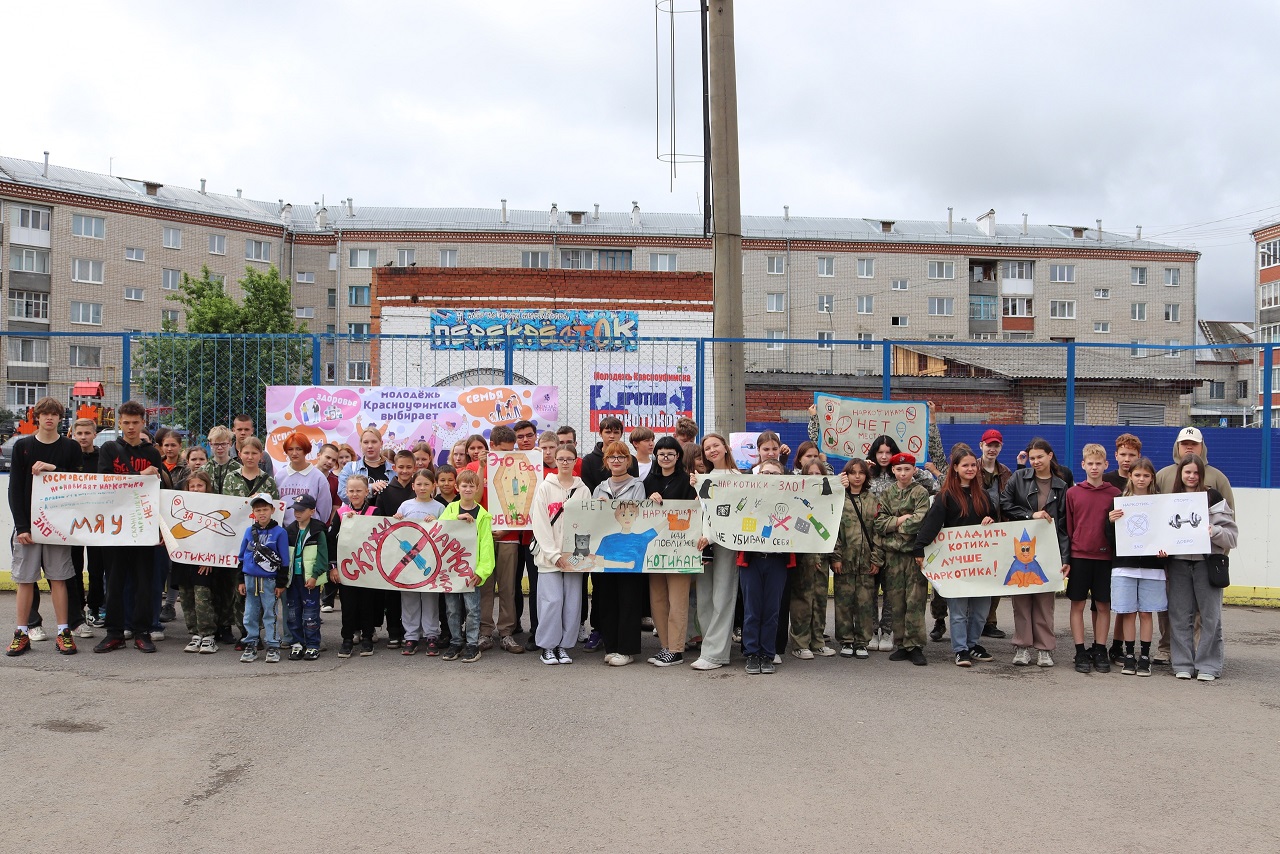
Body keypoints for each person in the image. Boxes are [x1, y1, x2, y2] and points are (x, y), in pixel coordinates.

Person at [93, 401, 173, 654]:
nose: (130, 427)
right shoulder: (108, 449)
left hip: (144, 525)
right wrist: (139, 477)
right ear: (119, 422)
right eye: (126, 422)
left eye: (135, 423)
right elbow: (106, 483)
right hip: (116, 526)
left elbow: (157, 491)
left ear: (143, 423)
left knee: (144, 582)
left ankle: (142, 632)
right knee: (115, 582)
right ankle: (114, 633)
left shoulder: (151, 453)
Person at [6, 397, 82, 657]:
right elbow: (15, 488)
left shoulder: (70, 447)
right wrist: (21, 526)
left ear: (61, 418)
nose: (49, 418)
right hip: (28, 526)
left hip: (56, 526)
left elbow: (79, 483)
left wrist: (53, 469)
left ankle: (63, 632)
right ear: (35, 417)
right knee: (25, 580)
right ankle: (21, 632)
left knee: (58, 578)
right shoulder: (23, 446)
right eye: (44, 413)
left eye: (54, 414)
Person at [1153, 426, 1234, 666]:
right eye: (1184, 443)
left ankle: (1202, 655)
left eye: (1194, 443)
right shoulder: (1163, 475)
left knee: (1205, 612)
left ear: (1202, 446)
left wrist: (1219, 556)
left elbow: (1229, 520)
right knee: (1172, 609)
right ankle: (1168, 649)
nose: (1189, 447)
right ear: (1177, 446)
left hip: (1205, 558)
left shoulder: (1217, 478)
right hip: (1174, 559)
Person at [913, 446, 997, 667]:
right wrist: (919, 548)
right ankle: (960, 650)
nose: (970, 469)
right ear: (956, 468)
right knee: (958, 611)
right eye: (965, 465)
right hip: (956, 563)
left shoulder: (984, 495)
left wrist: (990, 521)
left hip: (981, 564)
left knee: (980, 611)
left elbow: (996, 527)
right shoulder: (946, 496)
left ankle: (973, 644)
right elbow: (931, 525)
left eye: (972, 465)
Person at [1000, 438, 1071, 668]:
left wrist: (1065, 557)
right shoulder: (1019, 478)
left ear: (1050, 456)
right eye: (1032, 458)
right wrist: (1031, 515)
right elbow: (1004, 504)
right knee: (1021, 600)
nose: (1036, 461)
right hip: (1021, 548)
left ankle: (1044, 649)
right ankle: (1021, 647)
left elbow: (1064, 526)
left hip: (1048, 551)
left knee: (1044, 600)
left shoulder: (1061, 485)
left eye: (1040, 456)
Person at [1166, 454, 1238, 681]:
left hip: (1207, 564)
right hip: (1177, 564)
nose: (1191, 476)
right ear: (1180, 474)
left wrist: (1214, 531)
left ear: (1202, 474)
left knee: (1210, 617)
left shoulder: (1214, 498)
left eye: (1196, 472)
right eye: (1187, 472)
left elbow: (1232, 537)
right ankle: (1182, 664)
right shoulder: (1169, 500)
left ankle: (1208, 665)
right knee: (1179, 616)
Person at [866, 434, 937, 651]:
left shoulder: (919, 490)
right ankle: (888, 638)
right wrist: (898, 520)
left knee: (912, 600)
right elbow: (879, 520)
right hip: (883, 549)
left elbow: (920, 519)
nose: (903, 472)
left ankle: (907, 642)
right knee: (886, 596)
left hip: (909, 551)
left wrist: (895, 528)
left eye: (907, 469)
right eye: (899, 469)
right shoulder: (882, 487)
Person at [585, 442, 649, 666]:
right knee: (606, 599)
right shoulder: (599, 488)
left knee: (629, 600)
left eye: (621, 457)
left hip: (629, 552)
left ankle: (627, 649)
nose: (616, 461)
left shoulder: (638, 485)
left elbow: (640, 515)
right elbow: (593, 520)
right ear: (606, 461)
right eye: (612, 457)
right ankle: (611, 646)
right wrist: (600, 506)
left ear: (628, 461)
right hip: (606, 552)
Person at [1064, 443, 1122, 674]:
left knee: (1103, 605)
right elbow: (1068, 527)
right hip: (1079, 557)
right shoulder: (1073, 493)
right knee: (1077, 604)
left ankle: (1100, 649)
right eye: (1090, 463)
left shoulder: (1115, 494)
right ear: (1083, 465)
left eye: (1099, 463)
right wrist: (1067, 557)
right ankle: (1080, 651)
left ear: (1106, 464)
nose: (1095, 467)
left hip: (1105, 558)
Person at [1106, 458, 1165, 676]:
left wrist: (1164, 552)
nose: (1141, 479)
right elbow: (1110, 539)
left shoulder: (1160, 503)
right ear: (1130, 476)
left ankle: (1145, 657)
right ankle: (1129, 655)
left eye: (1146, 475)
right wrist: (1110, 522)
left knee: (1146, 613)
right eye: (1137, 475)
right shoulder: (1120, 502)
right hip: (1125, 566)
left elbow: (1166, 534)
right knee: (1128, 612)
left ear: (1152, 478)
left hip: (1152, 566)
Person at [735, 459, 795, 674]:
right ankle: (752, 652)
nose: (769, 477)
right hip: (751, 560)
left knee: (772, 610)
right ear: (757, 475)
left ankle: (767, 654)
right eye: (765, 473)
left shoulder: (790, 500)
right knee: (752, 609)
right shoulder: (747, 498)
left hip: (778, 560)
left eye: (773, 473)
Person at [530, 443, 587, 665]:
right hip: (549, 556)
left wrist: (576, 554)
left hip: (574, 556)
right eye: (560, 459)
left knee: (572, 602)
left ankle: (565, 646)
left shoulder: (583, 490)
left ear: (575, 461)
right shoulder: (545, 487)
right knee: (551, 601)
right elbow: (541, 524)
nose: (564, 462)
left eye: (568, 459)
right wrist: (554, 555)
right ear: (555, 460)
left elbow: (587, 523)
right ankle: (547, 646)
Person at [643, 436, 697, 667]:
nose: (666, 458)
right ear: (656, 456)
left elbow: (696, 509)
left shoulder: (687, 481)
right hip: (654, 550)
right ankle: (665, 646)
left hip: (680, 550)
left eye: (671, 454)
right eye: (662, 454)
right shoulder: (648, 481)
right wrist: (648, 498)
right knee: (658, 600)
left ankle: (676, 648)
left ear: (678, 457)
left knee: (678, 601)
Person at [690, 432, 741, 671]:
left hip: (727, 543)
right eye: (707, 448)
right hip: (703, 543)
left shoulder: (739, 478)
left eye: (715, 445)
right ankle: (708, 647)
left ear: (726, 447)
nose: (712, 450)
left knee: (723, 595)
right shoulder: (703, 478)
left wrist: (710, 535)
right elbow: (703, 513)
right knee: (705, 596)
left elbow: (731, 512)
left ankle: (716, 654)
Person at [438, 470, 496, 663]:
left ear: (477, 488)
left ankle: (472, 643)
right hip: (451, 570)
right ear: (457, 488)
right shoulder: (451, 510)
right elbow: (440, 529)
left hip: (471, 572)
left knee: (472, 609)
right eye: (464, 485)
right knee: (452, 609)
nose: (468, 489)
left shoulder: (483, 516)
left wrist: (482, 571)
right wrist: (458, 520)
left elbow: (487, 546)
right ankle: (456, 641)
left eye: (472, 486)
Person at [831, 458, 881, 659]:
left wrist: (877, 558)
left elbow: (878, 531)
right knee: (843, 602)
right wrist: (836, 556)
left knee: (865, 602)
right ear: (847, 475)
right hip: (845, 560)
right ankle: (846, 640)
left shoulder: (872, 500)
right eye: (853, 472)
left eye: (861, 473)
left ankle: (862, 641)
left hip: (867, 561)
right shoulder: (839, 499)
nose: (857, 476)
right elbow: (833, 528)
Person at [395, 469, 445, 656]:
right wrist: (397, 518)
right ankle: (411, 636)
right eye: (419, 484)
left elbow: (445, 530)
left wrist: (438, 521)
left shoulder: (439, 507)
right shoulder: (405, 505)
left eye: (427, 484)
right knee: (409, 598)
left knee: (430, 598)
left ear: (434, 486)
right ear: (413, 485)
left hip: (429, 558)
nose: (422, 488)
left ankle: (432, 634)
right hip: (408, 562)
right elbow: (397, 529)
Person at [789, 458, 836, 659]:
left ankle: (818, 640)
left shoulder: (828, 499)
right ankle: (800, 642)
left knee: (819, 599)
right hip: (804, 557)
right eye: (811, 474)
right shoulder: (797, 499)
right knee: (802, 599)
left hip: (823, 556)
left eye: (819, 474)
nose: (815, 478)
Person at [331, 475, 379, 657]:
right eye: (351, 491)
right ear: (346, 492)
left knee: (367, 603)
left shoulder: (375, 511)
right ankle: (347, 639)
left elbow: (381, 537)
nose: (355, 494)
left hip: (367, 568)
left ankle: (367, 637)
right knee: (348, 605)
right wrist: (333, 567)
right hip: (347, 568)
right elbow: (331, 542)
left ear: (367, 492)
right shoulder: (341, 513)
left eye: (359, 490)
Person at [236, 495, 289, 664]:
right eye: (258, 510)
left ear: (273, 510)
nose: (262, 513)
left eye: (265, 509)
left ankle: (273, 645)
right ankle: (251, 643)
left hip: (269, 581)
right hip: (250, 579)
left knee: (269, 612)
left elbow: (284, 559)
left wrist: (281, 583)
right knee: (250, 613)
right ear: (253, 513)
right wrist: (241, 580)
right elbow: (242, 556)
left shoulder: (280, 532)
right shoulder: (249, 531)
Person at [176, 472, 221, 654]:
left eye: (199, 486)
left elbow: (217, 537)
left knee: (202, 597)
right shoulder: (180, 507)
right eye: (192, 486)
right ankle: (195, 634)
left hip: (204, 562)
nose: (195, 489)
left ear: (207, 487)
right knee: (186, 598)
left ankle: (208, 635)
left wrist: (210, 558)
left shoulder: (213, 505)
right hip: (183, 560)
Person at [976, 429, 1013, 640]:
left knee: (996, 577)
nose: (992, 449)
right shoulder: (971, 467)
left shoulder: (1006, 473)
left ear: (1001, 447)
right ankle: (973, 620)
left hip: (999, 532)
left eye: (996, 445)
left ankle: (990, 621)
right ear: (981, 445)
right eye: (989, 445)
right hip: (974, 533)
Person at [284, 493, 328, 661]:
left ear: (312, 511)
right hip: (292, 579)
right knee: (293, 613)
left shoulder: (318, 531)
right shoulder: (289, 531)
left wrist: (315, 576)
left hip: (310, 580)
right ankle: (297, 643)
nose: (297, 513)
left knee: (310, 614)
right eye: (295, 509)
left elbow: (323, 557)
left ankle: (312, 644)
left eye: (301, 510)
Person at [277, 432, 333, 529]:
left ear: (306, 450)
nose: (294, 453)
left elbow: (325, 510)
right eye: (290, 449)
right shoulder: (279, 476)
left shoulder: (318, 477)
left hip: (311, 531)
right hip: (285, 531)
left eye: (299, 449)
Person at [338, 427, 391, 504]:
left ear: (381, 443)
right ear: (361, 444)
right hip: (360, 515)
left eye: (374, 442)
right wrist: (370, 488)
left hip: (386, 515)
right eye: (366, 442)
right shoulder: (350, 468)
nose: (370, 446)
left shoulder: (393, 469)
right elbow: (342, 494)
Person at [204, 426, 240, 494]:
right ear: (210, 444)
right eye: (216, 444)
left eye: (223, 444)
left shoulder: (238, 469)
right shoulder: (204, 470)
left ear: (230, 443)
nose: (220, 448)